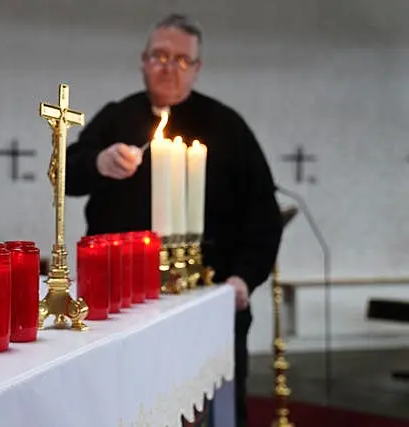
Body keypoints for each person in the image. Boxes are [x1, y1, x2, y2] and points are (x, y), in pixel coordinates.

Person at [65, 13, 283, 427]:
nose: (169, 68)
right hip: (120, 295)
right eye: (160, 56)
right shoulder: (117, 118)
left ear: (197, 68)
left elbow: (262, 215)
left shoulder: (227, 126)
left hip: (208, 289)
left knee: (215, 407)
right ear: (143, 61)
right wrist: (98, 161)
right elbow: (68, 173)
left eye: (182, 60)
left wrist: (243, 279)